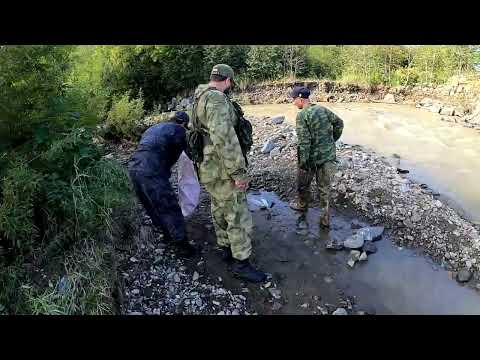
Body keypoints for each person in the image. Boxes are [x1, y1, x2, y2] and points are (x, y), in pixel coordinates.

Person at [190, 64, 267, 283]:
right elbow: (225, 138)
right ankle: (241, 263)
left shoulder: (199, 97)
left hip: (209, 166)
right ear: (228, 80)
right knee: (238, 214)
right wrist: (239, 172)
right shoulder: (215, 99)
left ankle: (225, 247)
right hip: (223, 168)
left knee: (219, 208)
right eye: (231, 83)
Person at [128, 111, 196, 257]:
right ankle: (183, 245)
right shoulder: (179, 130)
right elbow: (191, 153)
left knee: (151, 205)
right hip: (151, 170)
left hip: (133, 167)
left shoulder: (153, 128)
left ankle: (166, 235)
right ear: (184, 123)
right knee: (168, 206)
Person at [288, 86, 344, 228]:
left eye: (294, 99)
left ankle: (302, 205)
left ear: (300, 99)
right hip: (328, 156)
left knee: (303, 184)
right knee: (324, 189)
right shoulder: (322, 109)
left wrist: (303, 163)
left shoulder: (302, 115)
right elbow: (339, 123)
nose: (293, 103)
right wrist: (332, 140)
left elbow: (304, 142)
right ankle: (325, 218)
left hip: (312, 158)